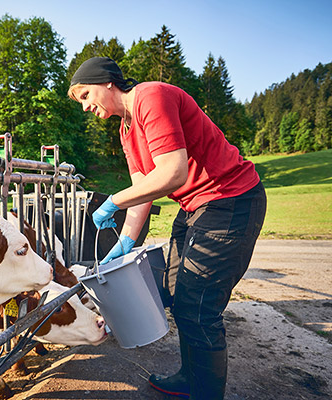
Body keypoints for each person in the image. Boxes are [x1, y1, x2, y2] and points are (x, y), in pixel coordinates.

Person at [68, 57, 267, 400]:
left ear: (106, 83)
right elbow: (144, 189)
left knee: (199, 306)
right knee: (177, 292)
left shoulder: (151, 96)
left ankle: (206, 392)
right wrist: (126, 241)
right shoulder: (126, 130)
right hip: (196, 207)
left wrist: (113, 200)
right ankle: (191, 377)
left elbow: (172, 172)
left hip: (230, 199)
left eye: (85, 95)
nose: (85, 107)